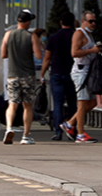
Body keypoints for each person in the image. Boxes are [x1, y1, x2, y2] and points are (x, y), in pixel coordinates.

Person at [0, 9, 43, 145]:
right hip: (27, 75)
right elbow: (38, 56)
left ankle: (9, 128)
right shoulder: (32, 36)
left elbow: (3, 54)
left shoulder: (8, 35)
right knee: (27, 106)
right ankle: (26, 135)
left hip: (12, 75)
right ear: (28, 22)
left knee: (12, 104)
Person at [59, 11, 101, 144]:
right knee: (82, 103)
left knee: (93, 102)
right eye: (90, 21)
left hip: (89, 72)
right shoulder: (79, 34)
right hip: (81, 71)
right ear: (83, 21)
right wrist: (92, 51)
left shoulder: (89, 35)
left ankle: (70, 123)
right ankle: (80, 133)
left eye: (95, 21)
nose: (93, 24)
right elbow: (74, 52)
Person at [41, 12, 76, 141]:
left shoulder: (53, 38)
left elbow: (47, 57)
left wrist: (42, 73)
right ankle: (72, 130)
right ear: (73, 22)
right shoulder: (75, 36)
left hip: (56, 73)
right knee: (73, 103)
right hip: (72, 73)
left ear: (61, 23)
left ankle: (57, 131)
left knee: (58, 103)